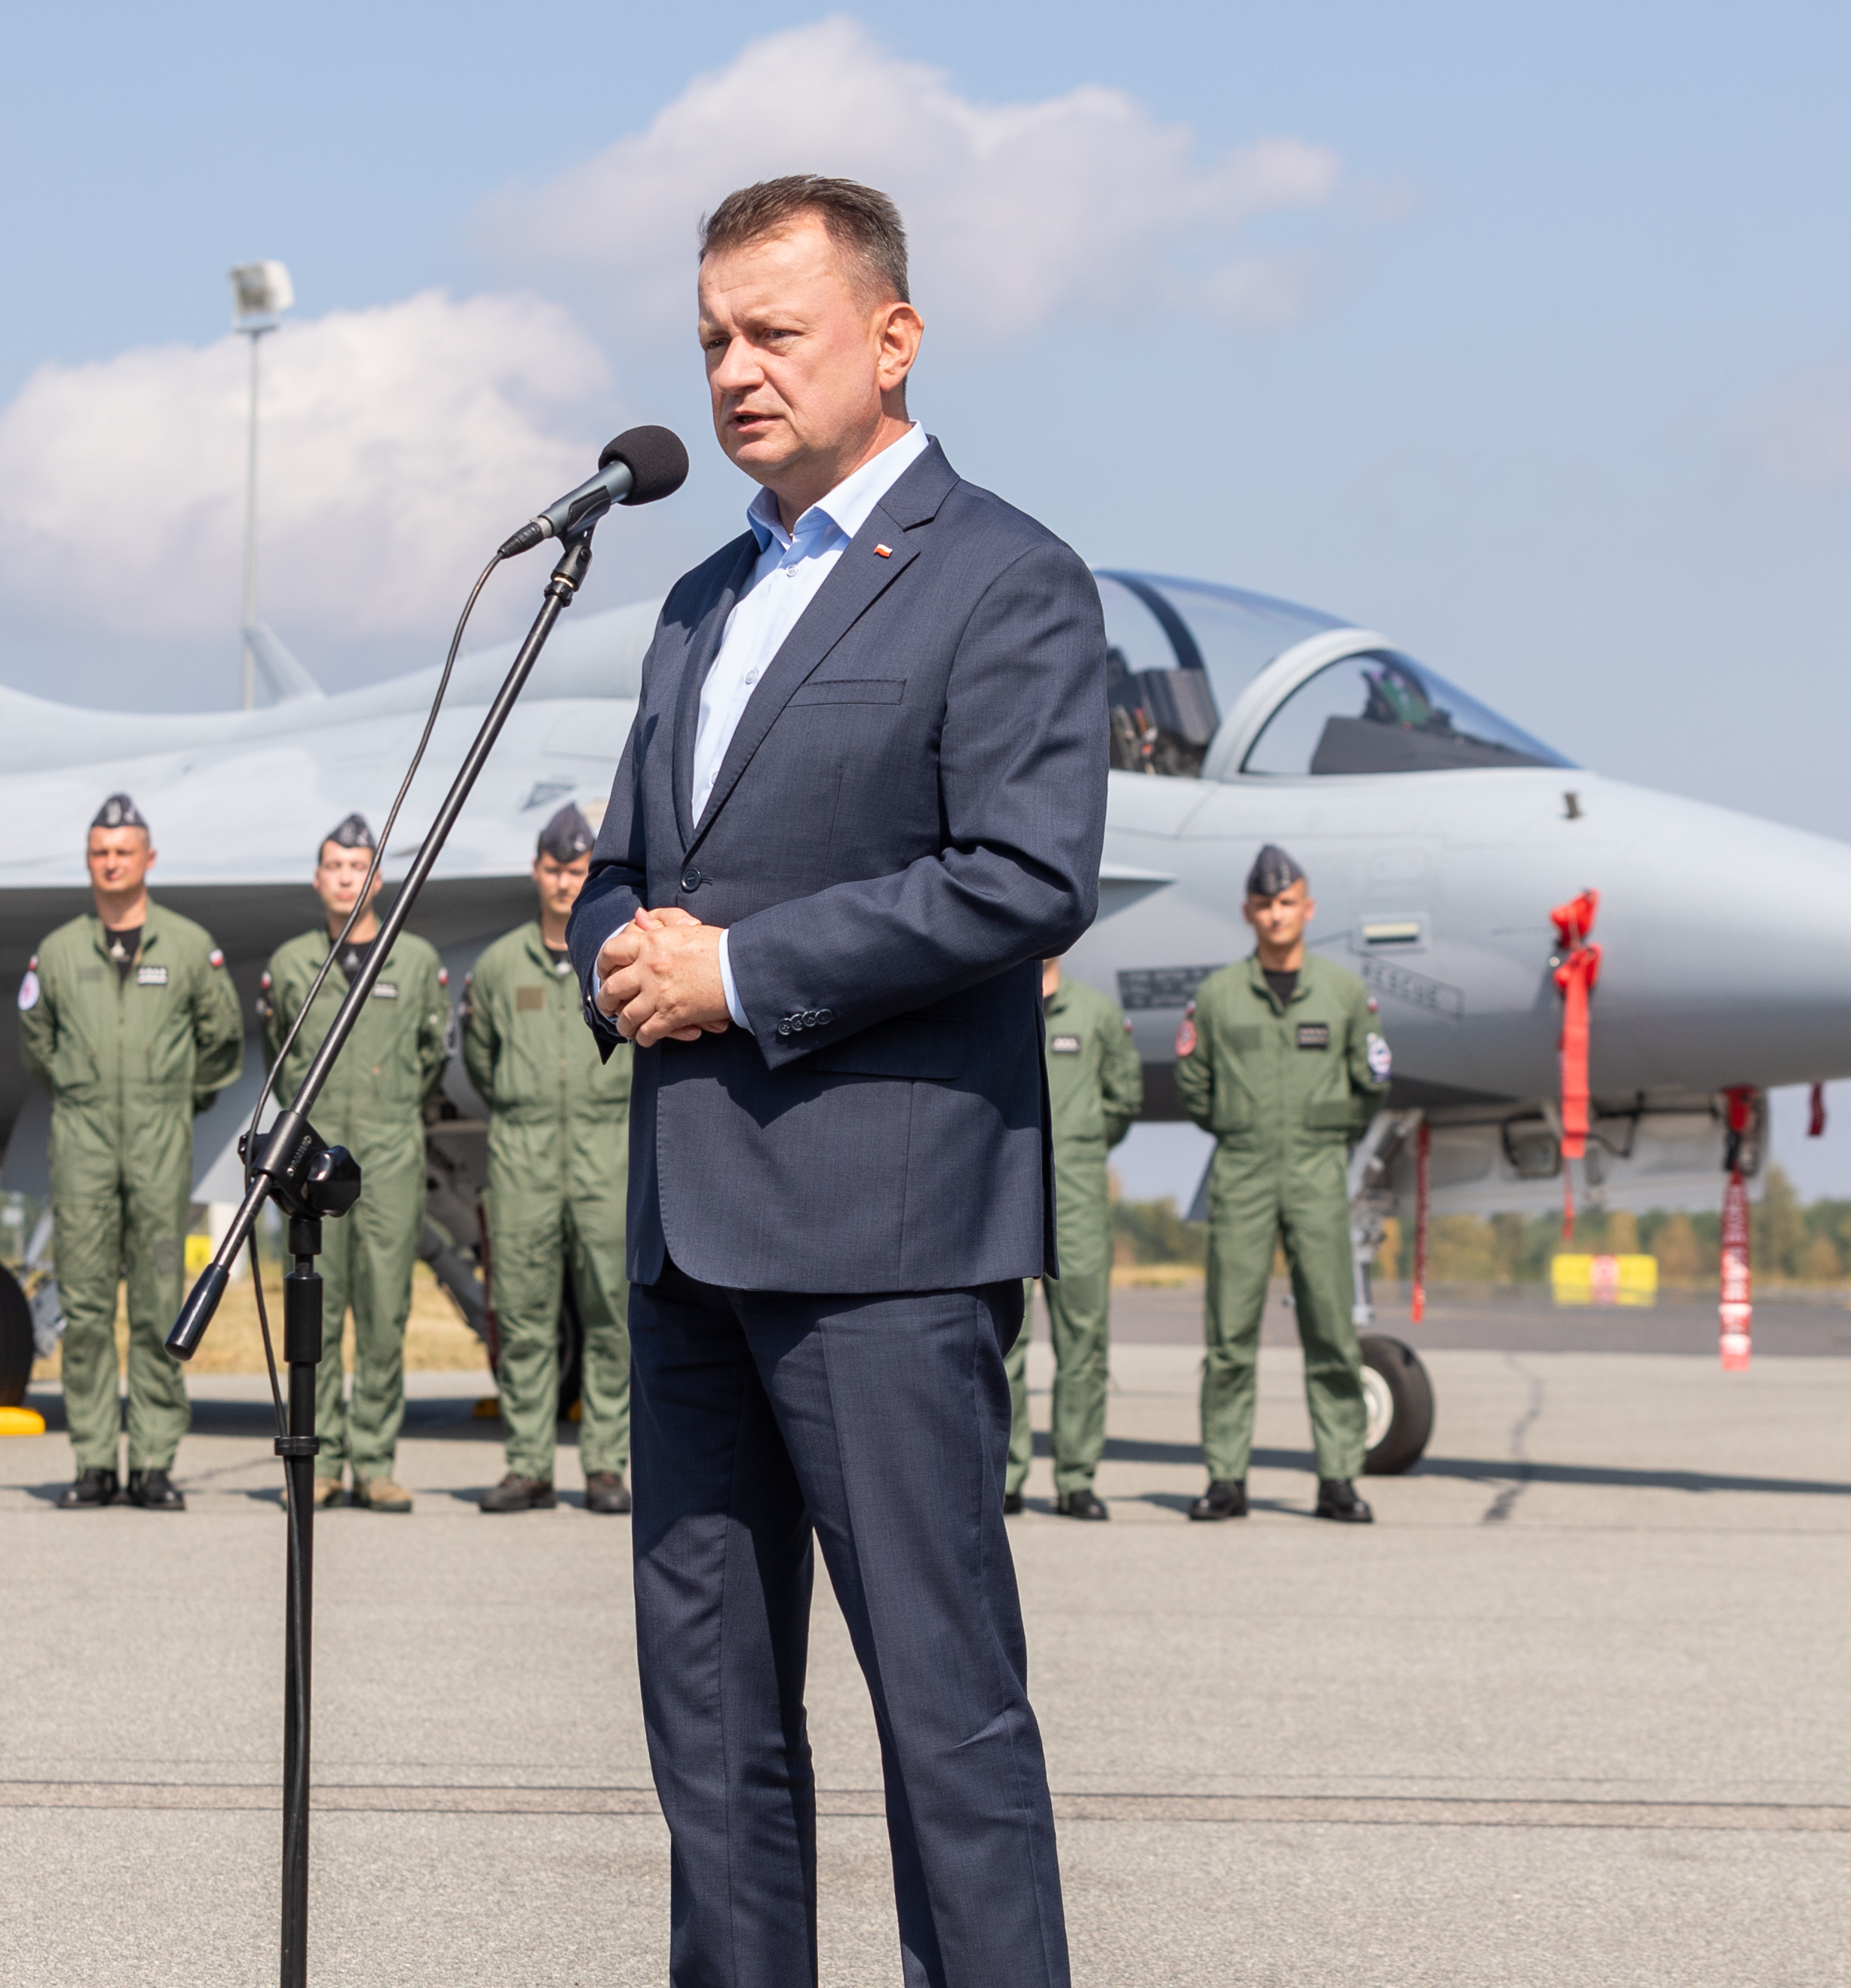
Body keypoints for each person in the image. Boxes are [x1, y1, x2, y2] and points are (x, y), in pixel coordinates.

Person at [578, 175, 1107, 1988]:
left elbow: (1024, 872)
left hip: (884, 1248)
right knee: (712, 1743)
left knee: (943, 1723)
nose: (733, 369)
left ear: (891, 339)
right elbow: (632, 868)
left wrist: (735, 969)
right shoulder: (693, 602)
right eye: (712, 335)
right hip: (690, 1244)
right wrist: (619, 945)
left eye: (773, 331)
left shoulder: (1004, 577)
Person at [17, 793, 242, 1511]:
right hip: (80, 1142)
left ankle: (150, 1462)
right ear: (90, 862)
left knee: (155, 1307)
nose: (111, 863)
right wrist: (81, 1091)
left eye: (123, 851)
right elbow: (35, 1043)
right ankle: (91, 1462)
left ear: (148, 859)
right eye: (99, 853)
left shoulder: (185, 946)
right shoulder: (55, 953)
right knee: (83, 1308)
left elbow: (223, 1041)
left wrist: (175, 1098)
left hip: (157, 1141)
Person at [1175, 844, 1392, 1524]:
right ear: (1248, 912)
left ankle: (1338, 1478)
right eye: (1265, 904)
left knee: (1330, 1327)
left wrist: (1325, 1135)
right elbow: (1194, 1083)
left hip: (1316, 1173)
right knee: (1229, 1333)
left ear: (1308, 908)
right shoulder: (1216, 996)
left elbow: (1370, 1083)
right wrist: (1239, 1128)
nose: (1276, 914)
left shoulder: (1343, 994)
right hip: (1240, 1172)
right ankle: (1225, 1479)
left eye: (1287, 902)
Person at [262, 812, 449, 1514]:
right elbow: (276, 1050)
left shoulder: (413, 959)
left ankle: (374, 1463)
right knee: (318, 1307)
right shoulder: (288, 966)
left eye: (358, 867)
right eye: (334, 867)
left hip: (392, 1153)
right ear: (318, 880)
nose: (346, 878)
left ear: (377, 878)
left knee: (382, 1310)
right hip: (313, 1157)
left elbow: (431, 1059)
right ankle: (325, 1460)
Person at [461, 803, 633, 1517]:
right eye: (554, 869)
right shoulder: (499, 967)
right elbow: (480, 1062)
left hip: (606, 1155)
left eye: (577, 869)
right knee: (525, 1318)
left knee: (611, 1316)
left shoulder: (617, 954)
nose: (565, 883)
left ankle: (604, 1466)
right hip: (524, 1158)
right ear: (536, 871)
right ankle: (528, 1466)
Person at [1008, 958, 1141, 1521]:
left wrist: (1077, 1148)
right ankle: (1004, 1477)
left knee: (1083, 1339)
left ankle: (1076, 1479)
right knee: (1001, 1339)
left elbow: (1122, 1101)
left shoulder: (1096, 1014)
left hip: (1078, 1195)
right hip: (1004, 1186)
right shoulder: (996, 1002)